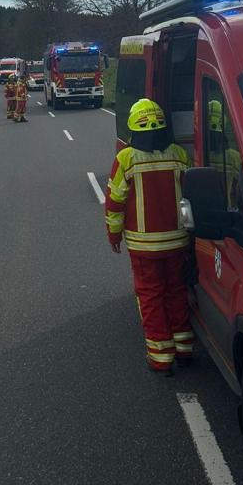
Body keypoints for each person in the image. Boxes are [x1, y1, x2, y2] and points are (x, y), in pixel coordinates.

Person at [105, 98, 193, 376]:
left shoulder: (126, 159)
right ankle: (185, 348)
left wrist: (114, 234)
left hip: (144, 247)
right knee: (177, 292)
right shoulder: (179, 154)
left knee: (151, 297)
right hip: (178, 240)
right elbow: (190, 197)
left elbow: (115, 202)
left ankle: (161, 357)